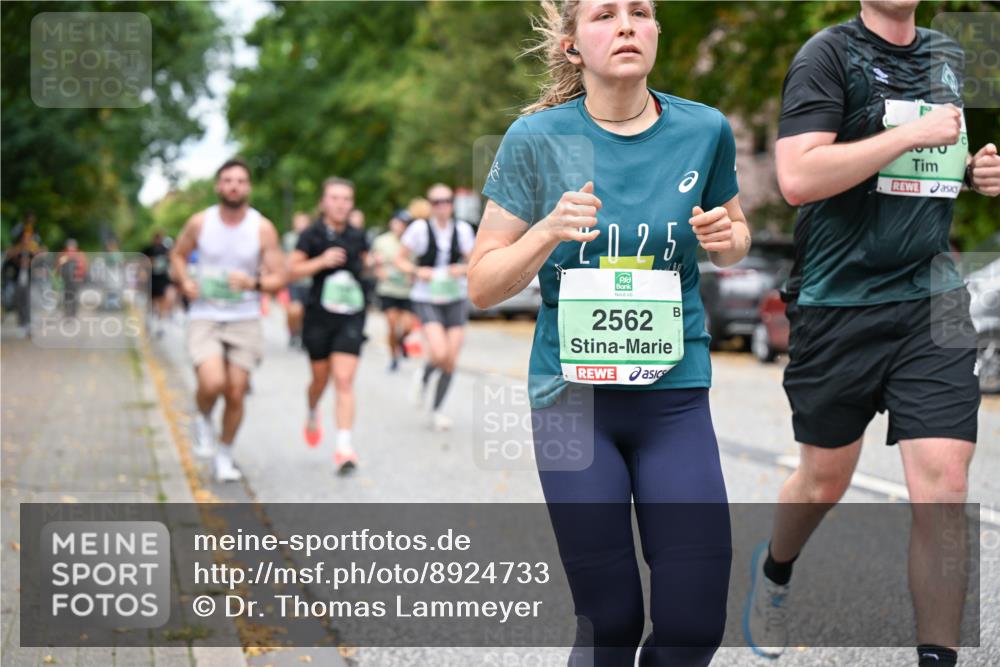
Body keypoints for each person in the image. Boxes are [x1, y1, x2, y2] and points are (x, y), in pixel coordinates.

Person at [467, 2, 751, 665]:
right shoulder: (536, 140)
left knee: (692, 622)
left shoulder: (704, 129)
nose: (626, 25)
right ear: (572, 47)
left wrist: (725, 238)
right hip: (572, 403)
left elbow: (734, 238)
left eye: (641, 12)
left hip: (673, 398)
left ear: (656, 34)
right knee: (612, 619)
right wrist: (545, 230)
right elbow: (482, 283)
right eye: (604, 15)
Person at [743, 2, 998, 665]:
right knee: (825, 479)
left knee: (943, 481)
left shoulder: (947, 54)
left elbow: (941, 165)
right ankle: (774, 570)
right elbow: (798, 177)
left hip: (931, 298)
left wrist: (977, 173)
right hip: (839, 305)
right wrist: (905, 137)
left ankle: (938, 655)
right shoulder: (826, 57)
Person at [170, 158, 286, 482]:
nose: (234, 186)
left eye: (240, 181)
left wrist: (253, 284)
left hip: (245, 317)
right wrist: (185, 281)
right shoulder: (200, 222)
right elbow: (178, 255)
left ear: (248, 187)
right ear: (218, 186)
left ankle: (225, 454)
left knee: (236, 391)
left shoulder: (262, 228)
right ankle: (204, 417)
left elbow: (279, 277)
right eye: (228, 180)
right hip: (205, 314)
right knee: (212, 383)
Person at [289, 177, 370, 474]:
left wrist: (374, 265)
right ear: (324, 202)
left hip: (351, 314)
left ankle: (344, 448)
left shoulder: (358, 235)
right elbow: (292, 269)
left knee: (344, 379)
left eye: (346, 199)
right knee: (320, 380)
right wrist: (320, 261)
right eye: (335, 198)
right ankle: (312, 408)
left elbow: (365, 264)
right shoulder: (310, 235)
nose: (341, 204)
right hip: (318, 317)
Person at [397, 184, 476, 431]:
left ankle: (437, 410)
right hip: (427, 296)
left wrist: (461, 269)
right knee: (439, 352)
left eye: (446, 201)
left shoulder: (462, 229)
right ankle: (424, 374)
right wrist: (417, 270)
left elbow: (475, 261)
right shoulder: (419, 229)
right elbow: (399, 259)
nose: (442, 206)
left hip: (455, 296)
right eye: (436, 202)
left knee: (451, 359)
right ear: (430, 205)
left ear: (452, 203)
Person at [371, 209, 416, 372]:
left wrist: (414, 274)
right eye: (399, 222)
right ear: (392, 223)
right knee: (391, 325)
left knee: (407, 327)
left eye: (405, 224)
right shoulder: (381, 241)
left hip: (407, 290)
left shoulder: (412, 241)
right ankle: (393, 357)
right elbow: (373, 263)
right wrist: (377, 268)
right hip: (388, 289)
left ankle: (401, 342)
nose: (401, 227)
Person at [282, 212, 313, 348]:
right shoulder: (289, 238)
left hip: (309, 281)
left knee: (307, 312)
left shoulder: (313, 237)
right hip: (294, 281)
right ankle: (293, 331)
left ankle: (304, 335)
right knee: (295, 310)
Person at [143, 230, 173, 336]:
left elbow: (171, 261)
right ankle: (150, 322)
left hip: (162, 279)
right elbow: (142, 262)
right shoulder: (148, 249)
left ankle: (160, 325)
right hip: (151, 278)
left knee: (161, 301)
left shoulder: (165, 250)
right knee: (151, 301)